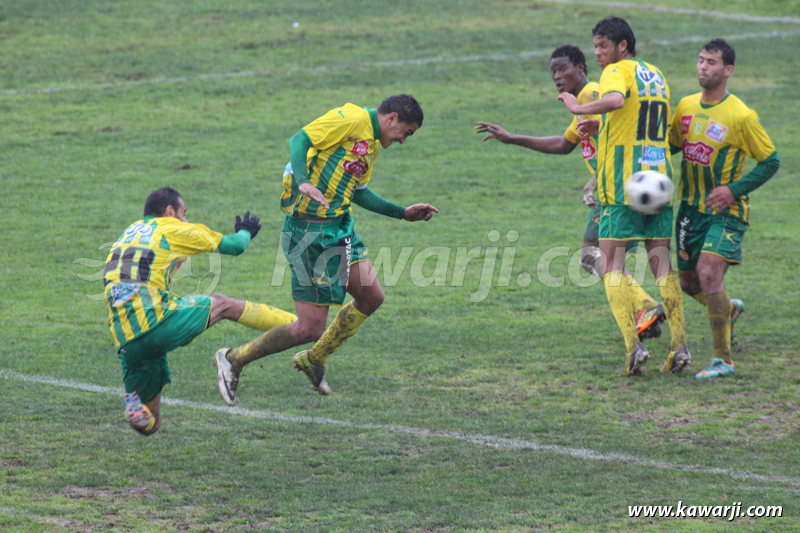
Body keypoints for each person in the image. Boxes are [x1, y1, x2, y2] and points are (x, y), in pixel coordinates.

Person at [213, 94, 439, 403]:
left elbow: (358, 191)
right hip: (309, 234)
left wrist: (401, 213)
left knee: (371, 297)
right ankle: (234, 358)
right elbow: (299, 139)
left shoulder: (372, 143)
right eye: (406, 133)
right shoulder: (351, 118)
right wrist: (303, 181)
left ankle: (315, 358)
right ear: (393, 119)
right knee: (309, 328)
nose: (403, 140)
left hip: (339, 228)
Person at [476, 45, 665, 342]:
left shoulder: (591, 94)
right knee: (600, 258)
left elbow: (618, 132)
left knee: (593, 257)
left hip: (615, 186)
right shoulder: (585, 98)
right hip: (617, 185)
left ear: (580, 67)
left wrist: (597, 176)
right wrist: (512, 138)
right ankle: (646, 314)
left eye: (562, 69)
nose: (556, 76)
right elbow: (564, 144)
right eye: (552, 71)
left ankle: (646, 307)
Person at [103, 187, 297, 435]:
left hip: (127, 339)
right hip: (155, 323)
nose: (185, 220)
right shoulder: (171, 228)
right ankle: (299, 326)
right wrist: (246, 231)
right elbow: (236, 246)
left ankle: (134, 411)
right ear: (170, 212)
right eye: (184, 213)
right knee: (223, 304)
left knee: (151, 423)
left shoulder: (127, 235)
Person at [558, 16, 690, 376]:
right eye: (595, 46)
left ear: (622, 46)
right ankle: (679, 346)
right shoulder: (656, 74)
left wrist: (577, 108)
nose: (598, 53)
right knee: (662, 265)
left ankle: (634, 348)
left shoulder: (616, 71)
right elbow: (637, 118)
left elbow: (616, 100)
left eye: (603, 46)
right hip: (657, 179)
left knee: (610, 264)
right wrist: (600, 125)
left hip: (622, 184)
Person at [668, 38, 780, 379]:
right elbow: (669, 146)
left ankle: (723, 360)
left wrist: (733, 190)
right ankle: (727, 310)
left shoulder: (741, 115)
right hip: (689, 210)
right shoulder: (686, 106)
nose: (703, 66)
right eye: (701, 60)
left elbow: (771, 161)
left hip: (725, 212)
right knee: (689, 283)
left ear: (728, 70)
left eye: (712, 62)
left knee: (708, 274)